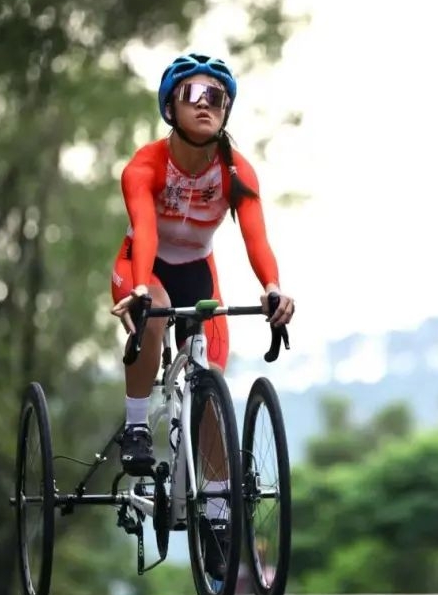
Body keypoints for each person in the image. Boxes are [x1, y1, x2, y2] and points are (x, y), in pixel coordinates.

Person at [108, 53, 295, 578]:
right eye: (194, 94)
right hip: (143, 266)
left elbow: (256, 237)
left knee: (211, 380)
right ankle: (137, 427)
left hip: (198, 271)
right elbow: (145, 229)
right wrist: (140, 287)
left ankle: (215, 514)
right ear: (171, 106)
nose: (207, 104)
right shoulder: (144, 167)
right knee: (155, 313)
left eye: (218, 96)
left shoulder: (236, 172)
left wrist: (272, 288)